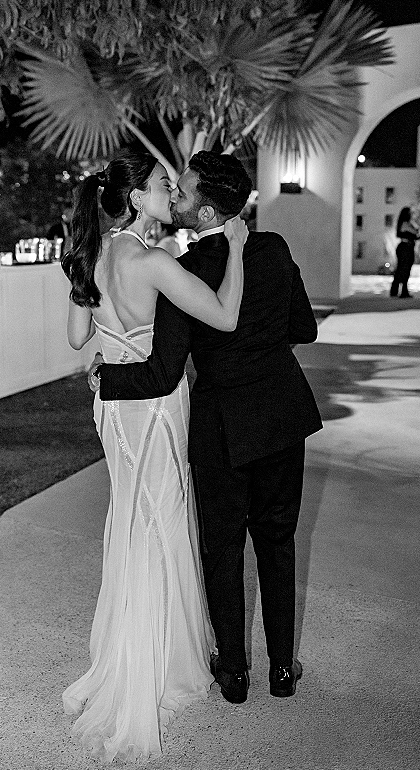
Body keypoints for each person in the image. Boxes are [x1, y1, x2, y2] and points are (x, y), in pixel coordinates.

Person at [89, 151, 322, 709]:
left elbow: (164, 371)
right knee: (278, 541)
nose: (176, 198)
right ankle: (282, 669)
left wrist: (105, 378)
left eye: (184, 192)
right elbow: (305, 328)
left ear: (208, 211)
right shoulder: (274, 249)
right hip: (282, 416)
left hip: (223, 429)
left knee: (222, 548)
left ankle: (234, 673)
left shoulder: (184, 270)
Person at [60, 149, 248, 762]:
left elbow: (77, 337)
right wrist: (236, 251)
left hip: (113, 410)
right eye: (164, 184)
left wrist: (105, 350)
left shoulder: (93, 254)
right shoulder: (154, 262)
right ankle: (161, 668)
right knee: (162, 524)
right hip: (157, 410)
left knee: (129, 523)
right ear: (138, 197)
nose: (171, 191)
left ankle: (127, 657)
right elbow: (224, 316)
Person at [389, 206, 420, 298]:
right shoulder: (405, 224)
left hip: (406, 248)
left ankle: (398, 290)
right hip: (405, 248)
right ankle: (401, 291)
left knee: (402, 269)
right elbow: (415, 232)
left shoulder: (404, 224)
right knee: (404, 269)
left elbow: (415, 236)